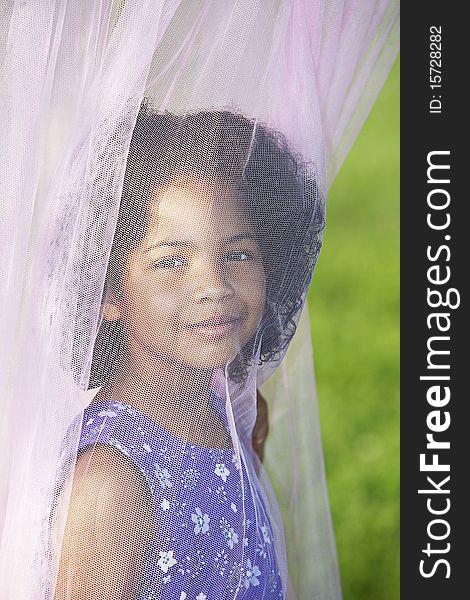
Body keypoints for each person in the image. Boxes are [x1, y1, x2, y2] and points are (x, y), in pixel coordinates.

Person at [52, 104, 323, 599]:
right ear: (109, 290)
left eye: (239, 253)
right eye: (171, 261)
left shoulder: (233, 422)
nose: (213, 286)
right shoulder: (110, 481)